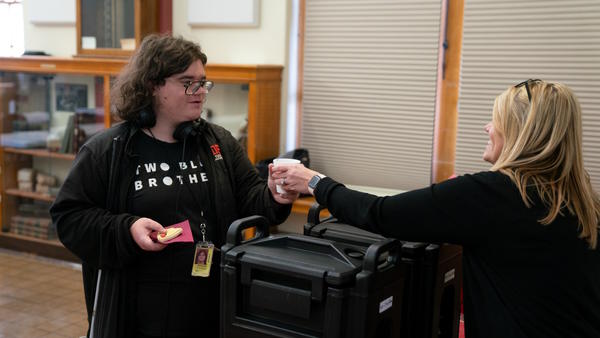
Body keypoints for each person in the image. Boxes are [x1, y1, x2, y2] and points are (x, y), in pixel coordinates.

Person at [273, 80, 600, 338]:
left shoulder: (494, 194)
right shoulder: (582, 198)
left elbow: (381, 214)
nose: (487, 127)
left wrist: (316, 183)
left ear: (519, 132)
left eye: (496, 120)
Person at [50, 34, 298, 338]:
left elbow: (253, 200)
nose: (200, 92)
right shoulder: (107, 150)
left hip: (210, 302)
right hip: (137, 311)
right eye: (187, 82)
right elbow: (69, 218)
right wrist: (127, 229)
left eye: (203, 82)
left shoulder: (218, 142)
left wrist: (277, 194)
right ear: (153, 85)